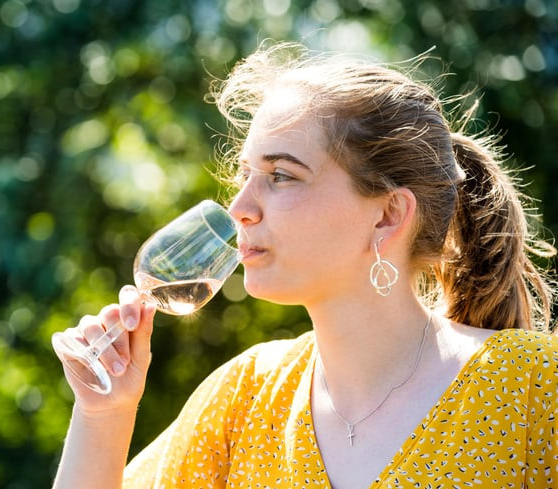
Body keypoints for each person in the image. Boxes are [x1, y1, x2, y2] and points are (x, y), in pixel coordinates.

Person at [51, 42, 557, 489]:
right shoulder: (244, 396)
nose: (239, 208)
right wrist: (104, 414)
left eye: (281, 175)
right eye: (246, 173)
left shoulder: (534, 384)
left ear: (388, 214)